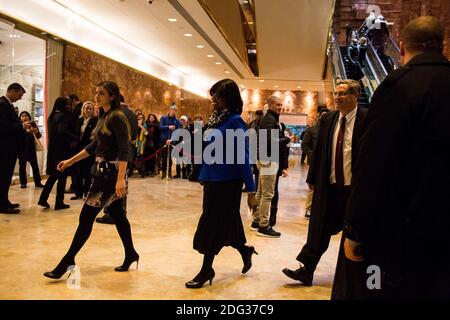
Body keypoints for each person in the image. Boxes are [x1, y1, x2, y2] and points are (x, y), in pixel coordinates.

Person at [340, 16, 450, 299]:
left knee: (376, 286)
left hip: (398, 233)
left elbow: (374, 162)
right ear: (443, 46)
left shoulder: (398, 86)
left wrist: (355, 227)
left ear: (401, 47)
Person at [43, 81, 139, 279]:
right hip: (103, 172)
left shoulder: (117, 117)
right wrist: (70, 161)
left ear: (112, 96)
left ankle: (69, 258)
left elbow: (124, 149)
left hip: (110, 175)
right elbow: (95, 145)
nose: (96, 96)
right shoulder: (104, 116)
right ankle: (131, 253)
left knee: (86, 217)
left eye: (101, 93)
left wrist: (121, 178)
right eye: (96, 93)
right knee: (118, 215)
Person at [282, 79, 367, 286]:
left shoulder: (367, 118)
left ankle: (355, 278)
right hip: (330, 188)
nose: (337, 97)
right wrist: (312, 179)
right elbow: (320, 150)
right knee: (318, 229)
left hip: (354, 190)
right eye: (336, 93)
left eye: (343, 93)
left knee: (356, 233)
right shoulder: (329, 118)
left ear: (356, 96)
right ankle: (306, 270)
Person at [186, 79, 257, 289]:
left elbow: (244, 157)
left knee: (212, 223)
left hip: (228, 183)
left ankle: (207, 268)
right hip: (212, 180)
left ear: (228, 98)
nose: (213, 100)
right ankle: (245, 250)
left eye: (216, 96)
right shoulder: (215, 119)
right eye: (212, 96)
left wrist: (251, 189)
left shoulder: (235, 121)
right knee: (228, 223)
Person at [251, 96, 283, 237]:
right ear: (269, 104)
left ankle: (256, 221)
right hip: (268, 158)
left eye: (281, 104)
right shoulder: (270, 119)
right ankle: (264, 226)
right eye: (277, 104)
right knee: (268, 194)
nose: (280, 107)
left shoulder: (268, 119)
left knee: (260, 192)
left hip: (263, 158)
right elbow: (270, 141)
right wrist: (285, 139)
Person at [38, 97, 78, 210]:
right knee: (62, 177)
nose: (69, 106)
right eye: (67, 104)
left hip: (54, 150)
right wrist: (75, 138)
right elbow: (63, 131)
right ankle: (59, 203)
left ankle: (43, 199)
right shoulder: (63, 116)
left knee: (54, 176)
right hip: (62, 151)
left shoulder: (52, 116)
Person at [0, 83, 30, 214]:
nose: (20, 98)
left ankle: (4, 201)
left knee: (6, 177)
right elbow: (3, 127)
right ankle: (2, 205)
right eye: (19, 95)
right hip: (4, 149)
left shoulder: (7, 105)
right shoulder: (2, 104)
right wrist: (22, 126)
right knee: (3, 177)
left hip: (9, 149)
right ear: (12, 91)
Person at [301, 108, 330, 218]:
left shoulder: (331, 130)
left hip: (328, 163)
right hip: (315, 163)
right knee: (313, 185)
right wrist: (314, 156)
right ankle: (309, 208)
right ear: (319, 116)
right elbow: (304, 145)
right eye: (323, 115)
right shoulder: (312, 130)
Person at [73, 101, 97, 199]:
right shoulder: (79, 120)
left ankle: (87, 192)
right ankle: (78, 193)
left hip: (89, 148)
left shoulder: (95, 120)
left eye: (90, 108)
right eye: (87, 108)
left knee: (87, 172)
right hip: (78, 148)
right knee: (78, 171)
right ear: (83, 109)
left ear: (93, 110)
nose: (88, 110)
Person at [18, 111, 44, 189]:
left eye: (26, 116)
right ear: (20, 118)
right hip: (22, 150)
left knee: (35, 166)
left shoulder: (33, 124)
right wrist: (26, 131)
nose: (24, 117)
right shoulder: (19, 126)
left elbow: (39, 136)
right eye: (22, 116)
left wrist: (36, 131)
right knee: (22, 167)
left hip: (31, 149)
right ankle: (23, 183)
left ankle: (38, 182)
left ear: (29, 117)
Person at [159, 104, 180, 179]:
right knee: (164, 158)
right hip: (164, 141)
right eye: (172, 110)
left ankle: (169, 172)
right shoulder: (163, 118)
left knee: (170, 158)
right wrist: (168, 127)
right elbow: (160, 127)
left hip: (171, 142)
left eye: (175, 110)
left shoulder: (177, 121)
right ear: (169, 110)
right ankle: (164, 172)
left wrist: (172, 140)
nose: (173, 111)